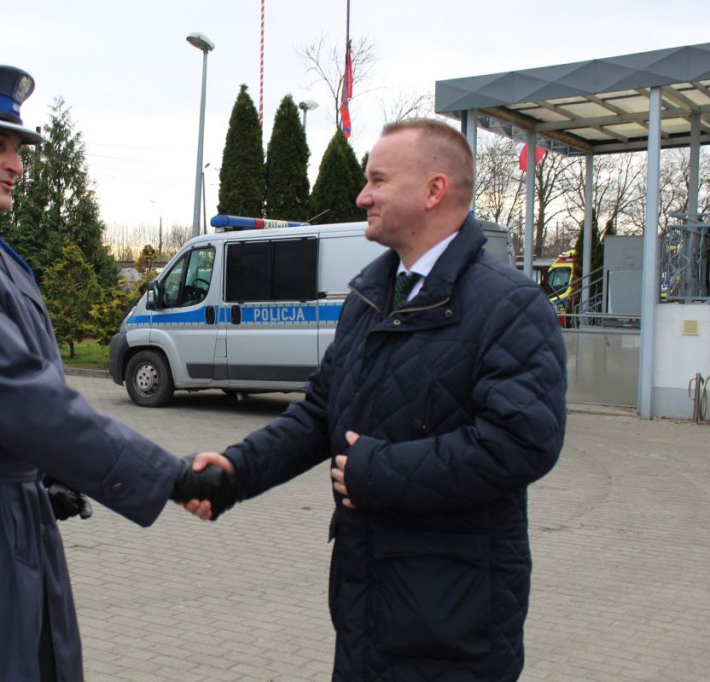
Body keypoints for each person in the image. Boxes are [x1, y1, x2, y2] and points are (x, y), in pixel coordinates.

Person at [0, 65, 240, 682]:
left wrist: (46, 468)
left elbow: (7, 399)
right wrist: (170, 477)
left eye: (18, 149)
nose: (16, 164)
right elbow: (28, 402)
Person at [187, 119, 567, 681]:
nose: (362, 195)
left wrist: (379, 471)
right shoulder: (369, 296)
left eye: (377, 180)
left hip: (454, 621)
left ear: (434, 191)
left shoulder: (508, 307)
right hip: (367, 610)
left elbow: (521, 443)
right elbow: (321, 411)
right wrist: (240, 469)